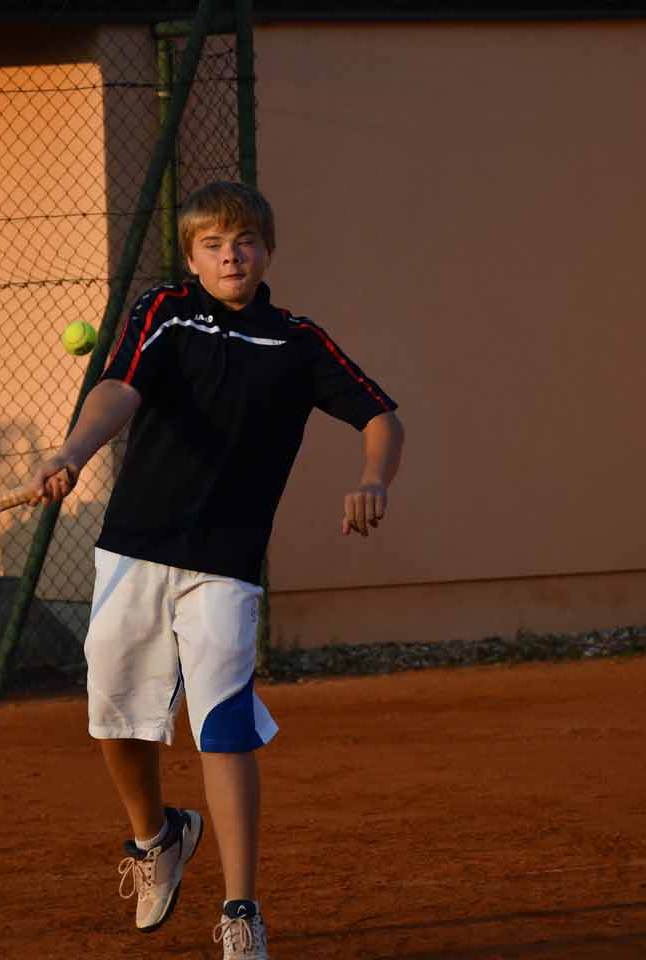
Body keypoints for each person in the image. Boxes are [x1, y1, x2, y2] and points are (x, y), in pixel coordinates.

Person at [26, 181, 404, 959]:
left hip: (225, 566)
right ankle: (158, 837)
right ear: (192, 258)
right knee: (114, 716)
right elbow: (118, 389)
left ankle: (241, 911)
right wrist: (73, 451)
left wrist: (374, 479)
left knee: (223, 725)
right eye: (212, 245)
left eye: (244, 242)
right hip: (135, 548)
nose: (231, 256)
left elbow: (379, 416)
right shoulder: (164, 312)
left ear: (268, 251)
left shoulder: (296, 342)